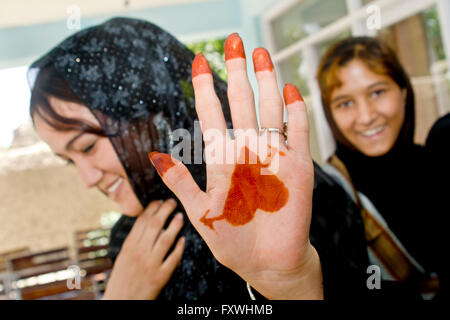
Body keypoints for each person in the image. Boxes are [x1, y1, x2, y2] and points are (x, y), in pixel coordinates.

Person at [29, 17, 374, 300]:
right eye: (69, 161)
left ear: (151, 115)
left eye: (87, 147)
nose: (87, 179)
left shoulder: (281, 199)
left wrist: (293, 286)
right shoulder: (133, 240)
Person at [316, 36, 446, 299]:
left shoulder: (438, 159)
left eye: (377, 92)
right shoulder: (325, 194)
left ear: (404, 92)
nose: (366, 117)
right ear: (330, 114)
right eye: (345, 103)